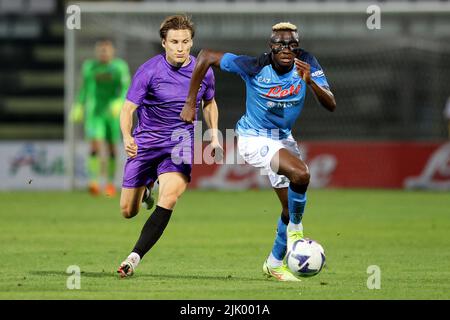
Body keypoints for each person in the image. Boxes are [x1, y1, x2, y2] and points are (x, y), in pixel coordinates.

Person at [181, 22, 336, 281]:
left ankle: (274, 263)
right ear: (271, 46)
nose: (286, 48)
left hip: (282, 139)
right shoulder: (254, 66)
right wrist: (190, 103)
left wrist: (311, 83)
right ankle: (297, 236)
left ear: (297, 47)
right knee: (301, 174)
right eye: (280, 44)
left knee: (289, 209)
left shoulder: (307, 63)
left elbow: (330, 104)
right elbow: (206, 55)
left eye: (292, 44)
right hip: (253, 138)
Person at [117, 15, 221, 277]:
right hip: (146, 143)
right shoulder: (149, 71)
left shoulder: (203, 71)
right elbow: (128, 109)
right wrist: (127, 137)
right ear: (164, 43)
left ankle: (133, 257)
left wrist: (215, 134)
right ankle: (146, 191)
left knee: (171, 196)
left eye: (185, 42)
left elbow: (209, 102)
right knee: (128, 211)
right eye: (174, 42)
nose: (180, 47)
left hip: (179, 143)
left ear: (191, 42)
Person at [71, 39, 130, 197]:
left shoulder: (119, 67)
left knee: (111, 147)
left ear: (112, 52)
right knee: (95, 145)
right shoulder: (90, 67)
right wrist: (79, 105)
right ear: (97, 52)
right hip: (95, 113)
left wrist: (119, 102)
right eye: (101, 51)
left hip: (111, 113)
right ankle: (94, 181)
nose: (104, 53)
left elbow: (125, 87)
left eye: (106, 50)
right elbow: (84, 88)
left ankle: (110, 183)